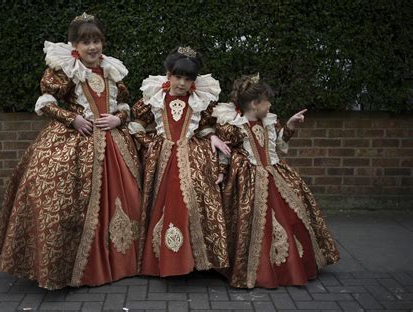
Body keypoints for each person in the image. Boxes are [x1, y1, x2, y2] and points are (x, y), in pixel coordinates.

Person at [0, 12, 142, 289]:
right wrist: (72, 118)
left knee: (127, 199)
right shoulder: (62, 70)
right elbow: (46, 103)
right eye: (86, 42)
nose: (93, 47)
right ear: (75, 45)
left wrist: (119, 118)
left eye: (97, 40)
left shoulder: (111, 69)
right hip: (75, 141)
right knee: (61, 198)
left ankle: (119, 263)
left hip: (113, 145)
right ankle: (75, 269)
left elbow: (123, 103)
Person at [213, 74, 340, 288]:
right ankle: (256, 270)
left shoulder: (269, 122)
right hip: (249, 181)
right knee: (250, 223)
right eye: (268, 101)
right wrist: (221, 172)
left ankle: (292, 266)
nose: (271, 105)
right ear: (255, 104)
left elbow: (278, 145)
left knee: (293, 214)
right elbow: (225, 151)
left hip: (275, 174)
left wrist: (289, 126)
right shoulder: (234, 126)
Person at [129, 46, 231, 277]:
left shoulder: (200, 101)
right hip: (162, 159)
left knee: (193, 202)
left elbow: (204, 126)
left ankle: (195, 260)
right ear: (168, 74)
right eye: (178, 77)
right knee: (162, 203)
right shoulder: (153, 99)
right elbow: (136, 124)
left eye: (188, 79)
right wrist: (150, 143)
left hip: (192, 157)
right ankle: (159, 262)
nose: (182, 83)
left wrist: (212, 136)